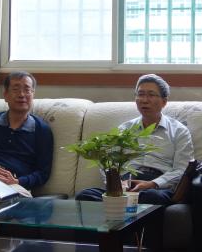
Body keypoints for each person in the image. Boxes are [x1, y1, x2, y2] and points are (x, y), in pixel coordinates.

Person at [77, 74, 195, 205]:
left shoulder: (179, 131)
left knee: (150, 197)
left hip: (156, 186)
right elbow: (108, 163)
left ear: (164, 101)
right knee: (85, 195)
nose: (144, 100)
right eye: (140, 94)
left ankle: (123, 208)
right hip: (125, 184)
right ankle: (120, 208)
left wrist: (152, 184)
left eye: (151, 95)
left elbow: (182, 170)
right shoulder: (124, 129)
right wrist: (116, 183)